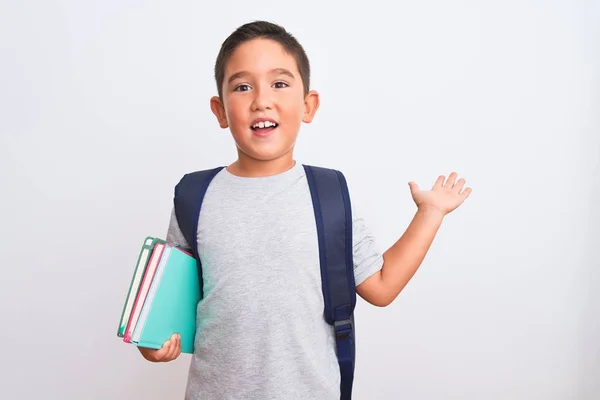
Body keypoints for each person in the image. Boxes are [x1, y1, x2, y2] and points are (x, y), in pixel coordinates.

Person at [136, 20, 472, 400]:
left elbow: (381, 286)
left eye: (279, 84)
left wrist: (430, 214)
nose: (261, 100)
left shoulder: (328, 193)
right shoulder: (194, 195)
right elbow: (166, 311)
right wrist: (153, 344)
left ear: (308, 105)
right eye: (242, 86)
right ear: (220, 111)